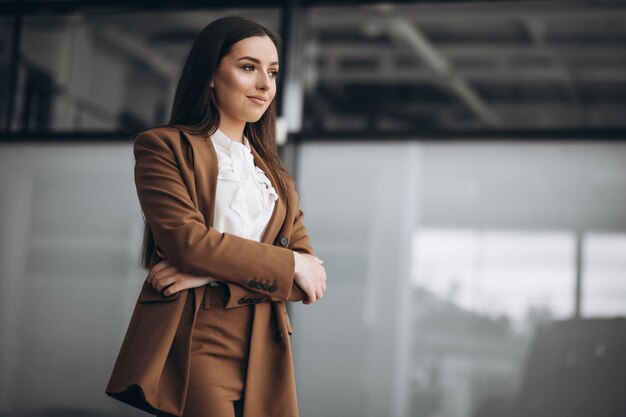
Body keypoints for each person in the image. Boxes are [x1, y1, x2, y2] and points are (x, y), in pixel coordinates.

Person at [105, 16, 327, 417]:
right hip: (197, 338)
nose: (265, 85)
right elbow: (187, 243)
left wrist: (207, 272)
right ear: (210, 74)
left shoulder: (274, 177)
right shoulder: (164, 147)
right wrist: (288, 263)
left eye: (273, 72)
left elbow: (308, 283)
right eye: (248, 67)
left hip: (267, 346)